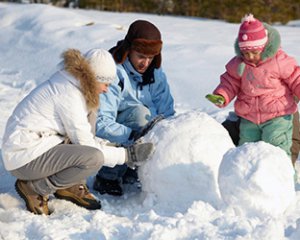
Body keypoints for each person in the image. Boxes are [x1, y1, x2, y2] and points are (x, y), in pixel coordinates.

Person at [1, 48, 154, 215]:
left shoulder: (73, 86)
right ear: (93, 79)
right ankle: (35, 188)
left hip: (40, 143)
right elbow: (87, 146)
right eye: (105, 84)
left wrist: (117, 148)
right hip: (23, 157)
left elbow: (86, 136)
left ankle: (69, 183)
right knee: (93, 158)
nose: (106, 90)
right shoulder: (68, 95)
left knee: (92, 113)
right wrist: (126, 156)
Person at [93, 20, 175, 196]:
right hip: (116, 131)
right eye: (140, 56)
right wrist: (132, 135)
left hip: (140, 131)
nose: (145, 63)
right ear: (129, 49)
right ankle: (108, 176)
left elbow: (167, 113)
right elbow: (100, 121)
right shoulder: (113, 72)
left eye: (150, 58)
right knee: (140, 115)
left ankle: (134, 170)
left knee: (156, 122)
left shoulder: (156, 74)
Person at [206, 14, 300, 162]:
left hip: (277, 116)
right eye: (245, 53)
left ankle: (281, 179)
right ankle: (246, 180)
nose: (249, 56)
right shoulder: (238, 64)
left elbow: (296, 77)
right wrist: (222, 95)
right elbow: (229, 82)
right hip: (249, 117)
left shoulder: (279, 60)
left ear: (263, 47)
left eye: (254, 52)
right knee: (247, 151)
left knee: (276, 149)